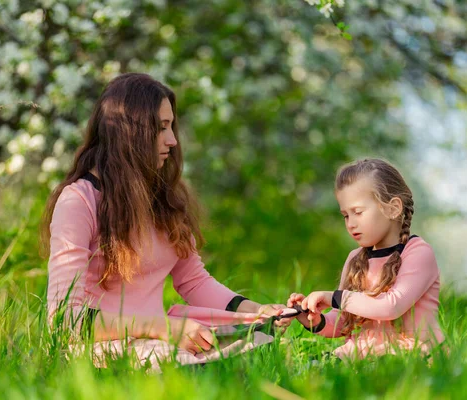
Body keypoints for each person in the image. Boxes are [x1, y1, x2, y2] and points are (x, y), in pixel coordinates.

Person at [40, 73, 289, 358]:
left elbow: (194, 281)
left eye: (171, 127)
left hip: (160, 341)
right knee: (179, 361)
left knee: (259, 341)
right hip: (103, 348)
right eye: (161, 128)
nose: (172, 141)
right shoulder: (78, 201)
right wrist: (161, 328)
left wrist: (257, 311)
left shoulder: (163, 198)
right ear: (129, 132)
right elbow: (65, 321)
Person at [287, 158, 445, 360]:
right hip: (360, 354)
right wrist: (312, 320)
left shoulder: (418, 253)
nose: (351, 224)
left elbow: (392, 306)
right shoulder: (355, 258)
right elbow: (344, 322)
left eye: (358, 212)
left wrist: (335, 298)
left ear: (393, 208)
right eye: (345, 215)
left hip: (410, 354)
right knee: (309, 369)